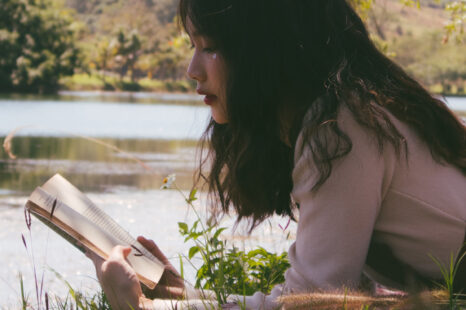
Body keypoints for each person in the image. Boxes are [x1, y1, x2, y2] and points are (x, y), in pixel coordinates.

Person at [88, 0, 466, 309]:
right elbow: (318, 298)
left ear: (263, 51)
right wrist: (183, 295)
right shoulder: (351, 110)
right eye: (193, 46)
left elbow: (313, 304)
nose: (192, 70)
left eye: (211, 47)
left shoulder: (341, 130)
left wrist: (144, 309)